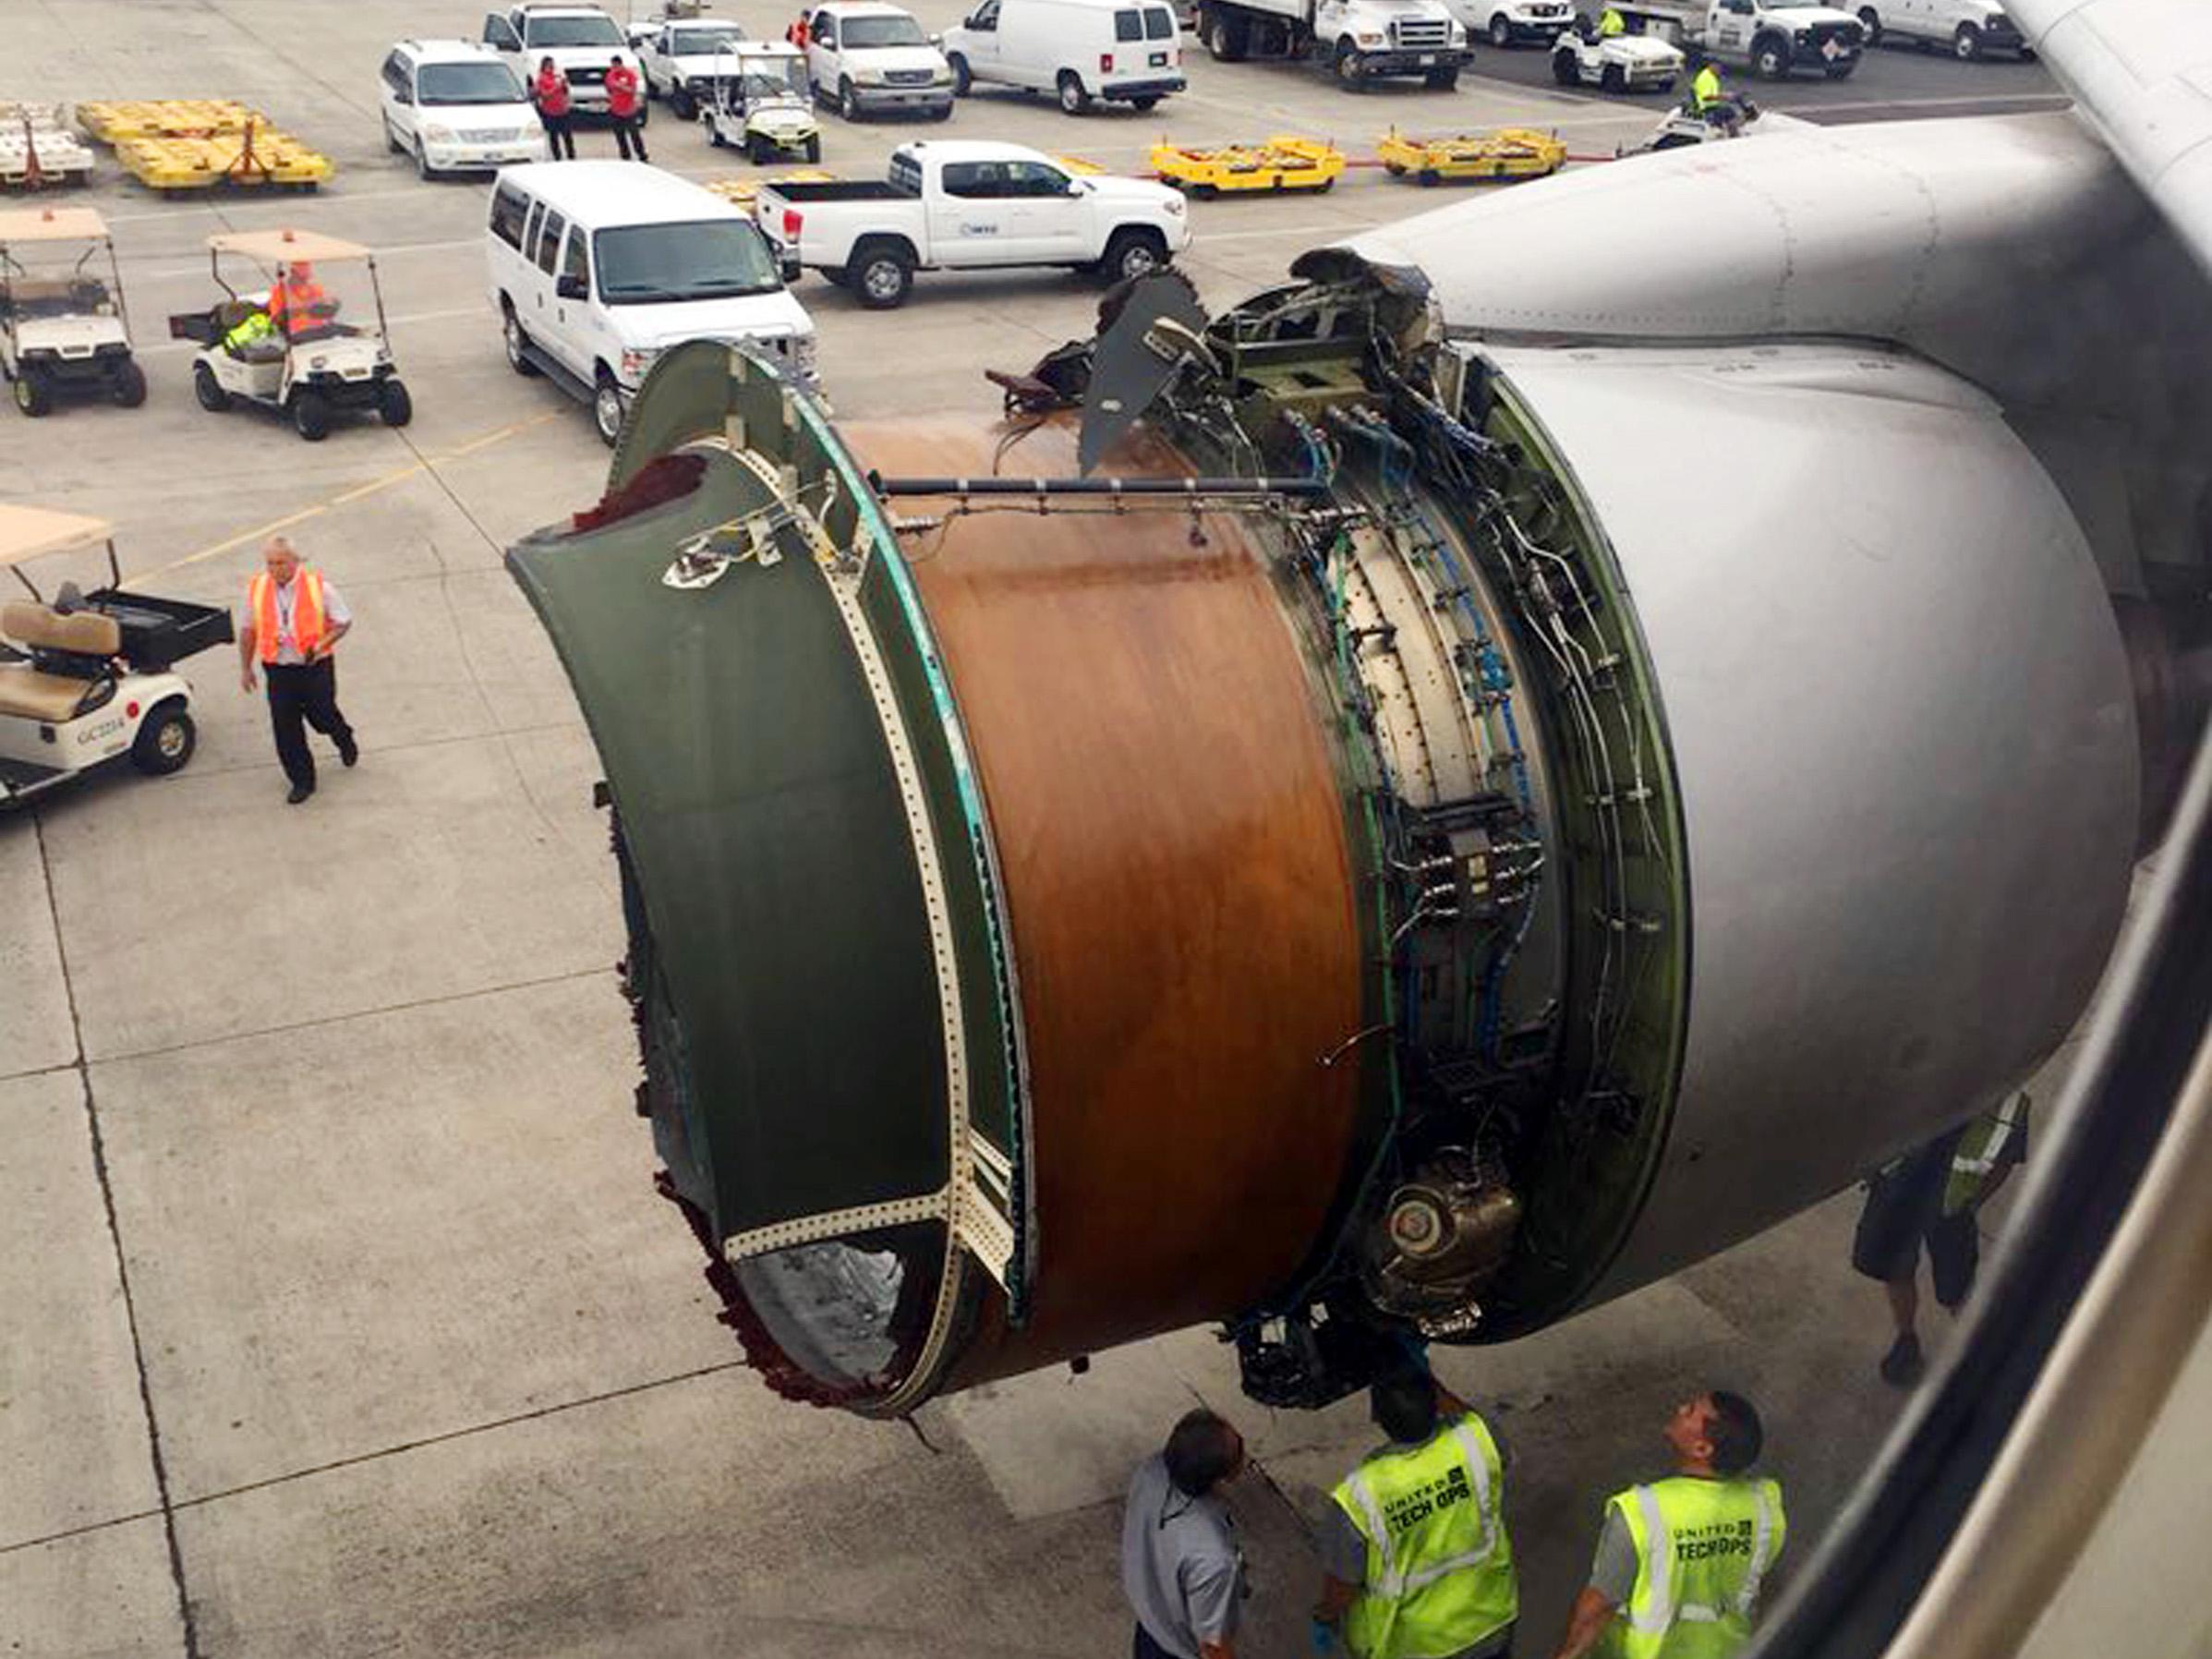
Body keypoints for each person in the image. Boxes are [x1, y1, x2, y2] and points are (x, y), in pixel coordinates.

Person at [1550, 1392, 1785, 1659]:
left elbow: (1597, 1609)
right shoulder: (1763, 1507)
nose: (1680, 1407)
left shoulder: (1641, 1511)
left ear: (1701, 1449)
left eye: (1691, 1412)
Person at [1313, 1361, 1517, 1659]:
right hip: (1489, 1625)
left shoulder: (1360, 1496)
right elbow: (1467, 1416)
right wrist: (1424, 1378)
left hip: (1415, 1646)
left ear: (1376, 1417)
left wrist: (1325, 1615)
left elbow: (1343, 1585)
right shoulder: (1477, 1443)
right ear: (1436, 1404)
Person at [1851, 1093, 2031, 1386]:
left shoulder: (2011, 1101)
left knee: (1956, 1288)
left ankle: (1975, 1349)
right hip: (1898, 1186)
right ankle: (1906, 1339)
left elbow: (2005, 1161)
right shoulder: (1930, 1071)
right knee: (1895, 1268)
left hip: (1951, 1209)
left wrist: (1972, 1203)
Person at [238, 537, 357, 805]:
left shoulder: (320, 588)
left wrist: (322, 643)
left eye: (281, 563)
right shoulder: (256, 589)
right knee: (285, 726)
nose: (275, 569)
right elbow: (248, 631)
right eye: (270, 563)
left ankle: (343, 736)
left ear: (295, 561)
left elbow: (343, 622)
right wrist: (246, 668)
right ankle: (302, 780)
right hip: (278, 670)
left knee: (322, 716)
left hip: (314, 666)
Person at [1122, 1409, 1250, 1659]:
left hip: (1150, 1623)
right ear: (1221, 1479)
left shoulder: (1151, 1472)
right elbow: (1213, 1646)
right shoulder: (1214, 1559)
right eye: (1240, 1451)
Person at [263, 260, 330, 340]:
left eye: (306, 277)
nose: (305, 281)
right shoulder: (279, 291)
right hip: (296, 337)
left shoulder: (315, 289)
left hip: (319, 334)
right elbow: (276, 319)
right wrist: (300, 310)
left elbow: (326, 313)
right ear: (292, 273)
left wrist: (329, 305)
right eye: (301, 277)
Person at [605, 56, 649, 160]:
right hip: (616, 110)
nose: (614, 68)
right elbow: (610, 86)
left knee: (634, 134)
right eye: (613, 66)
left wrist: (620, 87)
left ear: (621, 64)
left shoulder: (629, 74)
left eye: (616, 66)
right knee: (619, 135)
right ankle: (625, 155)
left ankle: (641, 154)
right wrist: (622, 87)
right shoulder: (611, 75)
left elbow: (632, 89)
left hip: (629, 110)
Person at [534, 56, 575, 159]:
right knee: (554, 137)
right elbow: (544, 95)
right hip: (550, 113)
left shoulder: (557, 77)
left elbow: (566, 92)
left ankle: (571, 156)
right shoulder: (541, 79)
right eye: (548, 66)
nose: (551, 68)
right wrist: (556, 87)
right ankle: (557, 157)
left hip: (563, 111)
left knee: (568, 137)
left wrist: (564, 85)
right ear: (543, 67)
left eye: (552, 65)